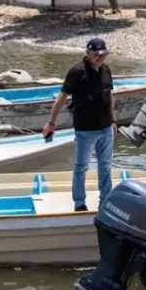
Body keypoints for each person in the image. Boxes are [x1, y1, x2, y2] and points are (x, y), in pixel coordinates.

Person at [43, 38, 116, 212]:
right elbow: (62, 97)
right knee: (81, 167)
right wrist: (51, 122)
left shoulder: (106, 70)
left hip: (106, 128)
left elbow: (110, 95)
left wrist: (114, 120)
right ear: (88, 53)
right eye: (96, 55)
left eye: (103, 54)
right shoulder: (76, 71)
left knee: (105, 165)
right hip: (85, 129)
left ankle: (105, 199)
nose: (100, 58)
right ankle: (79, 202)